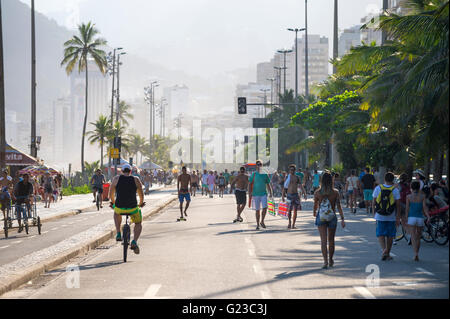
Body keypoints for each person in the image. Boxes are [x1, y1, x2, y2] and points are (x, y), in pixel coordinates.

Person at [109, 164, 145, 254]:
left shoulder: (116, 179)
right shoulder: (136, 179)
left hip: (119, 207)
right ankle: (134, 241)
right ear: (130, 171)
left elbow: (111, 193)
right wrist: (140, 203)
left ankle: (118, 233)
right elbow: (141, 193)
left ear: (121, 171)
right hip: (132, 207)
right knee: (138, 223)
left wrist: (113, 203)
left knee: (116, 213)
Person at [313, 172, 345, 269]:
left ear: (321, 181)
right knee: (331, 240)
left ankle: (325, 262)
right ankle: (331, 259)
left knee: (323, 240)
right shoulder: (335, 192)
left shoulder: (317, 192)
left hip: (321, 216)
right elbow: (338, 206)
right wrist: (342, 218)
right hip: (332, 217)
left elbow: (315, 205)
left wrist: (314, 212)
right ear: (331, 181)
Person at [372, 172, 401, 261]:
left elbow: (374, 202)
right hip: (391, 216)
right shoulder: (395, 190)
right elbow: (398, 205)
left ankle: (384, 249)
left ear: (384, 179)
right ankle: (387, 253)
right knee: (390, 235)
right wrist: (398, 217)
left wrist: (374, 213)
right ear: (392, 180)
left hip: (380, 215)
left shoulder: (378, 188)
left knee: (380, 234)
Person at [406, 181, 430, 261]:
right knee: (418, 237)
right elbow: (424, 207)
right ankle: (417, 253)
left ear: (411, 188)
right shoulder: (423, 196)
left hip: (411, 217)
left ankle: (415, 253)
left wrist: (406, 217)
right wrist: (428, 216)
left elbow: (407, 208)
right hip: (420, 218)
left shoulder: (408, 197)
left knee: (413, 236)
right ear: (419, 187)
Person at [248, 160, 273, 230]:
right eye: (258, 164)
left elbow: (268, 184)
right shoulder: (254, 174)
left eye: (260, 164)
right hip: (255, 194)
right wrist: (249, 193)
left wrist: (271, 192)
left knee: (265, 208)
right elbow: (250, 184)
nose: (259, 166)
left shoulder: (265, 174)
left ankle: (262, 221)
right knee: (257, 210)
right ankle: (257, 224)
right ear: (256, 166)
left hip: (263, 194)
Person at [282, 164, 307, 230]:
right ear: (289, 170)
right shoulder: (287, 177)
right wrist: (282, 196)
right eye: (291, 170)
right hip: (289, 195)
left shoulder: (297, 177)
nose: (292, 171)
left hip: (296, 195)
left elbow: (301, 186)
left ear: (295, 170)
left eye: (293, 170)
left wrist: (304, 193)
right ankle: (289, 223)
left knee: (295, 210)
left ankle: (293, 224)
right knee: (289, 210)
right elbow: (284, 187)